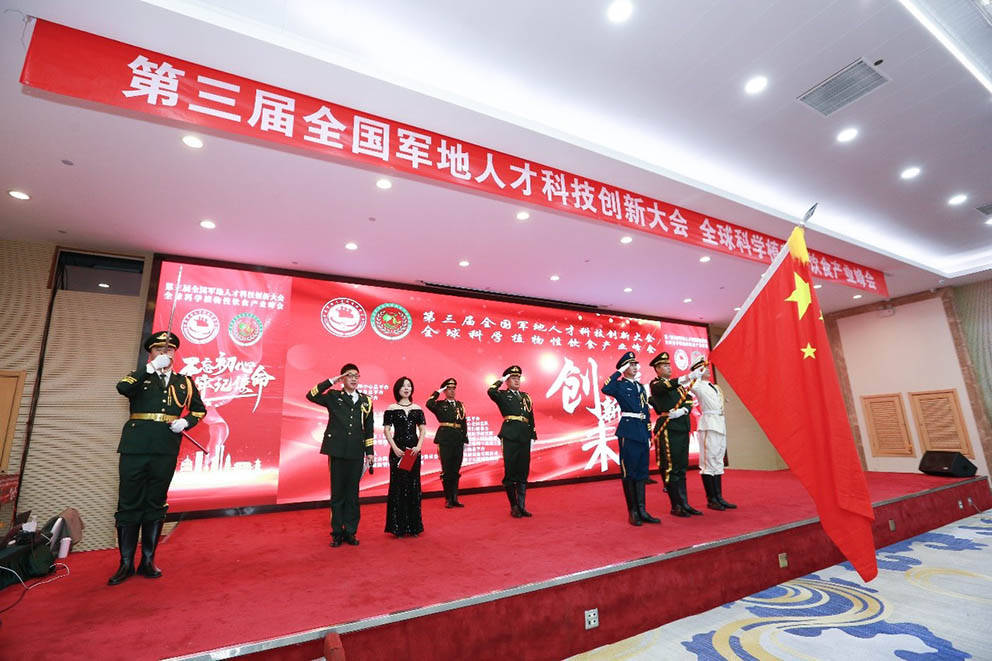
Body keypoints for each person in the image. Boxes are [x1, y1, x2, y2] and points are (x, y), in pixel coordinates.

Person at [109, 330, 206, 585]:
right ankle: (126, 563)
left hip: (165, 448)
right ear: (150, 353)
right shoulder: (140, 376)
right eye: (159, 349)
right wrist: (150, 368)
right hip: (135, 448)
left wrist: (186, 421)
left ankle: (148, 560)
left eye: (170, 350)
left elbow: (199, 410)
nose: (165, 353)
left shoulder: (184, 382)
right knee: (129, 502)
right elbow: (122, 388)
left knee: (156, 502)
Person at [306, 363, 374, 547]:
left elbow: (368, 429)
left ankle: (350, 531)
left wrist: (369, 452)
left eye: (356, 376)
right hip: (337, 450)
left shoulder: (366, 401)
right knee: (337, 494)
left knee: (352, 495)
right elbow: (311, 395)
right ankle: (337, 532)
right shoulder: (334, 396)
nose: (354, 379)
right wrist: (331, 381)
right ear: (342, 378)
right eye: (349, 375)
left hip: (356, 452)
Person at [601, 352, 659, 526]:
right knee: (630, 472)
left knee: (641, 473)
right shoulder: (619, 385)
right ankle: (633, 511)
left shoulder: (640, 386)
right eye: (630, 365)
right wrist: (619, 372)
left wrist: (649, 434)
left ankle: (642, 510)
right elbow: (606, 388)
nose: (634, 367)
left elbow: (646, 411)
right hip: (628, 431)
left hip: (641, 431)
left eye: (635, 364)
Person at [648, 352, 702, 518]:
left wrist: (683, 410)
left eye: (669, 365)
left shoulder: (678, 386)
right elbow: (666, 387)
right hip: (668, 428)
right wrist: (687, 377)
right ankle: (676, 505)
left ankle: (684, 503)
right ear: (657, 369)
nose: (669, 368)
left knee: (681, 467)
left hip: (682, 427)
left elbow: (688, 399)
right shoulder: (656, 384)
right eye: (665, 366)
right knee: (671, 467)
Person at [487, 365, 537, 517]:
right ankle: (514, 506)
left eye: (518, 378)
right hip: (509, 435)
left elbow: (531, 417)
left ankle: (522, 506)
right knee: (510, 470)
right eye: (513, 378)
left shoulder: (526, 396)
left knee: (523, 471)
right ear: (507, 381)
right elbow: (491, 391)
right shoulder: (502, 395)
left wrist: (533, 435)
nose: (516, 381)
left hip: (524, 436)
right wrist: (501, 379)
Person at [687, 359, 737, 511]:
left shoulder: (714, 387)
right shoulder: (697, 385)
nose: (707, 370)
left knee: (718, 460)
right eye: (703, 368)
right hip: (709, 424)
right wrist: (695, 375)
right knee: (708, 462)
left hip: (719, 423)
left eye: (707, 368)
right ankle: (711, 499)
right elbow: (687, 385)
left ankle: (719, 497)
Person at [383, 376, 426, 537]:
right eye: (403, 386)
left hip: (413, 452)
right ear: (398, 389)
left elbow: (422, 430)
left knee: (413, 486)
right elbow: (387, 430)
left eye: (409, 385)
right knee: (398, 487)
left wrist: (418, 446)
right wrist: (394, 448)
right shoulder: (392, 408)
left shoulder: (417, 408)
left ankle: (414, 527)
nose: (406, 388)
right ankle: (398, 527)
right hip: (398, 452)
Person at [426, 377, 468, 508]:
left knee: (456, 469)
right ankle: (448, 498)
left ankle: (455, 498)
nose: (452, 391)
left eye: (453, 389)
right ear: (445, 391)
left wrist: (465, 439)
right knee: (447, 469)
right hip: (445, 438)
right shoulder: (439, 404)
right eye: (449, 389)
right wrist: (438, 391)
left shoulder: (460, 405)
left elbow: (464, 422)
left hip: (458, 438)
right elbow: (429, 403)